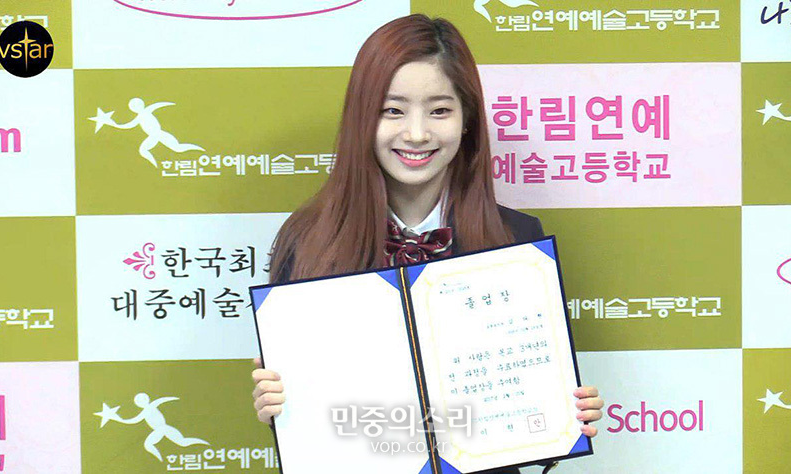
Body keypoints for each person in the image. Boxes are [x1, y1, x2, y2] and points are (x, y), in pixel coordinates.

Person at [251, 13, 603, 472]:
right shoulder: (307, 239)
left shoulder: (518, 239)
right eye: (392, 110)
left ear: (467, 119)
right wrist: (280, 407)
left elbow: (526, 402)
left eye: (439, 111)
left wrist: (562, 413)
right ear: (361, 118)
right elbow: (311, 419)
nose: (416, 134)